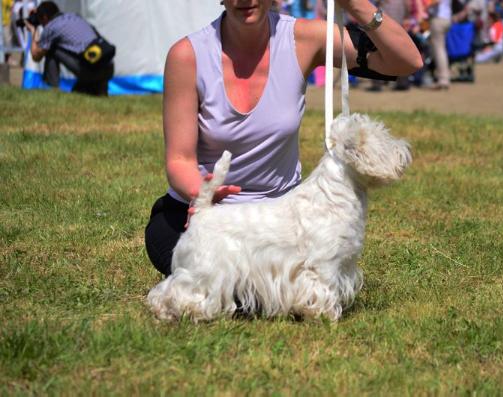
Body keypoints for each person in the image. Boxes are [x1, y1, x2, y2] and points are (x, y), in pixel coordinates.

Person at [144, 0, 423, 276]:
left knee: (250, 295)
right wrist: (200, 193)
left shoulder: (305, 39)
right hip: (199, 217)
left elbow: (406, 61)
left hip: (278, 223)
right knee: (226, 286)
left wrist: (354, 4)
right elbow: (180, 159)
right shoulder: (187, 54)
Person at [25, 1, 114, 96]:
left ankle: (51, 90)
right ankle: (100, 90)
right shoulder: (74, 17)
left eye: (40, 21)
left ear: (45, 18)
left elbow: (36, 56)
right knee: (78, 94)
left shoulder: (51, 27)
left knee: (51, 49)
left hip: (90, 71)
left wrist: (33, 30)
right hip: (108, 67)